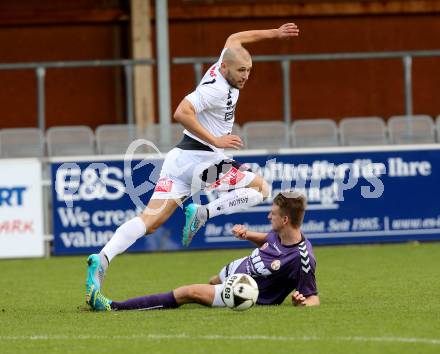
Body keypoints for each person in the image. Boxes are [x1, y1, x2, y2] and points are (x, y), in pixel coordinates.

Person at [85, 23, 301, 303]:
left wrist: (274, 34)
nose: (245, 76)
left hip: (180, 160)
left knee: (150, 222)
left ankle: (102, 258)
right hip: (203, 160)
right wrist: (216, 139)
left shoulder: (225, 59)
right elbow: (181, 112)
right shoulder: (217, 90)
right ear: (224, 68)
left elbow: (235, 37)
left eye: (249, 70)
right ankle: (203, 213)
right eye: (241, 71)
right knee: (262, 188)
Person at [86, 192, 320, 311]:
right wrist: (248, 235)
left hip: (243, 291)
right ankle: (212, 288)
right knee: (210, 282)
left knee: (189, 292)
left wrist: (302, 302)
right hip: (236, 269)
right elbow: (269, 241)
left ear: (286, 219)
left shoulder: (303, 258)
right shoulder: (281, 233)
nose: (269, 216)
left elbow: (313, 298)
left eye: (273, 214)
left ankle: (114, 306)